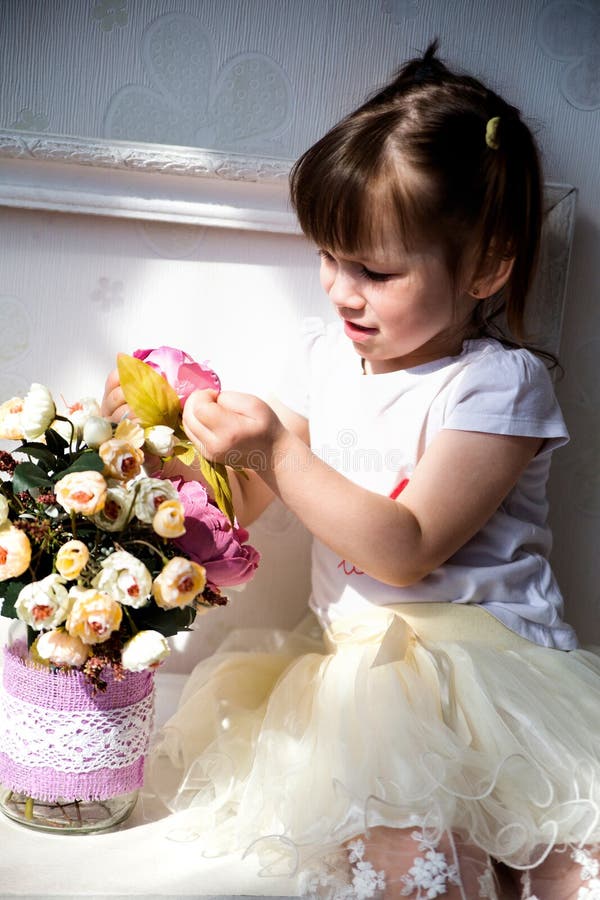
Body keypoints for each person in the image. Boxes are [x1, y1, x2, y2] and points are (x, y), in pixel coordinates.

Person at [102, 42, 600, 900]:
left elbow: (407, 547)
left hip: (495, 675)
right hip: (362, 682)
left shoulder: (495, 384)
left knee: (564, 860)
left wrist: (276, 448)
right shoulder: (322, 359)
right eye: (329, 258)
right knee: (415, 867)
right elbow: (246, 501)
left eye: (374, 270)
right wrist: (161, 454)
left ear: (486, 266)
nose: (340, 292)